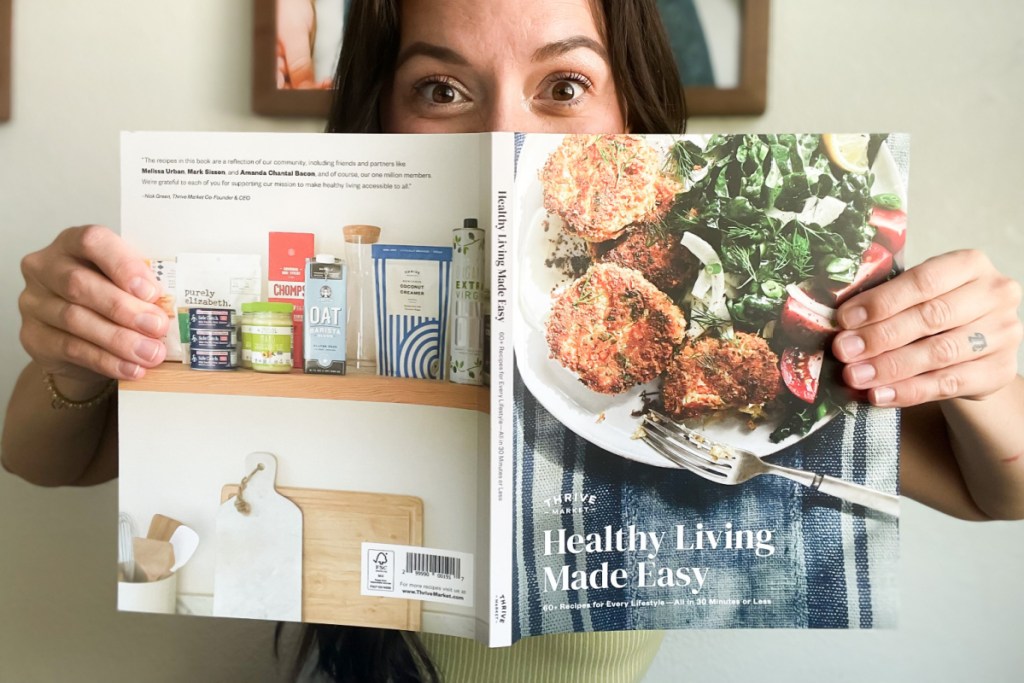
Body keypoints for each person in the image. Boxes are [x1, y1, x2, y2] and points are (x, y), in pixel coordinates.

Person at [3, 0, 1023, 681]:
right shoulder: (327, 271)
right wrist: (70, 347)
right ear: (384, 115)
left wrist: (972, 365)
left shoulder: (746, 299)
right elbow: (54, 459)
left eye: (564, 86)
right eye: (441, 90)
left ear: (632, 109)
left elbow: (995, 489)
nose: (503, 136)